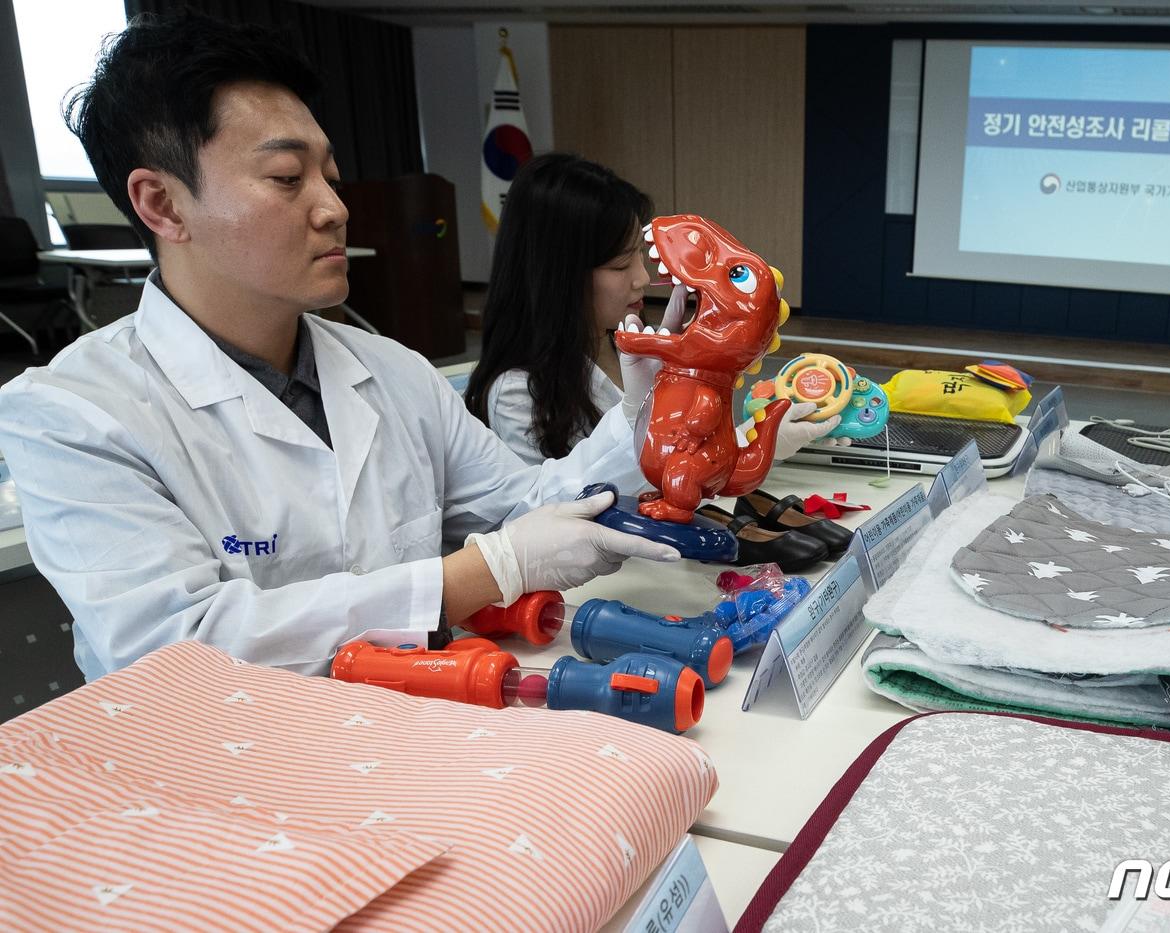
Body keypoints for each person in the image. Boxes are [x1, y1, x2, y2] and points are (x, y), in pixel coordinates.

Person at [0, 12, 677, 682]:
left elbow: (525, 508)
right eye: (288, 179)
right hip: (222, 770)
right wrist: (477, 573)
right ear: (163, 204)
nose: (334, 206)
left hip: (413, 736)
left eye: (329, 173)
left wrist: (648, 418)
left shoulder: (391, 370)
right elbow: (176, 651)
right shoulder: (72, 414)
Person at [465, 153, 842, 466]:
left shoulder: (627, 340)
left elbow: (690, 453)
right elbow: (561, 507)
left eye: (640, 257)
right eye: (619, 264)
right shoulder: (520, 393)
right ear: (555, 274)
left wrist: (762, 438)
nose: (641, 278)